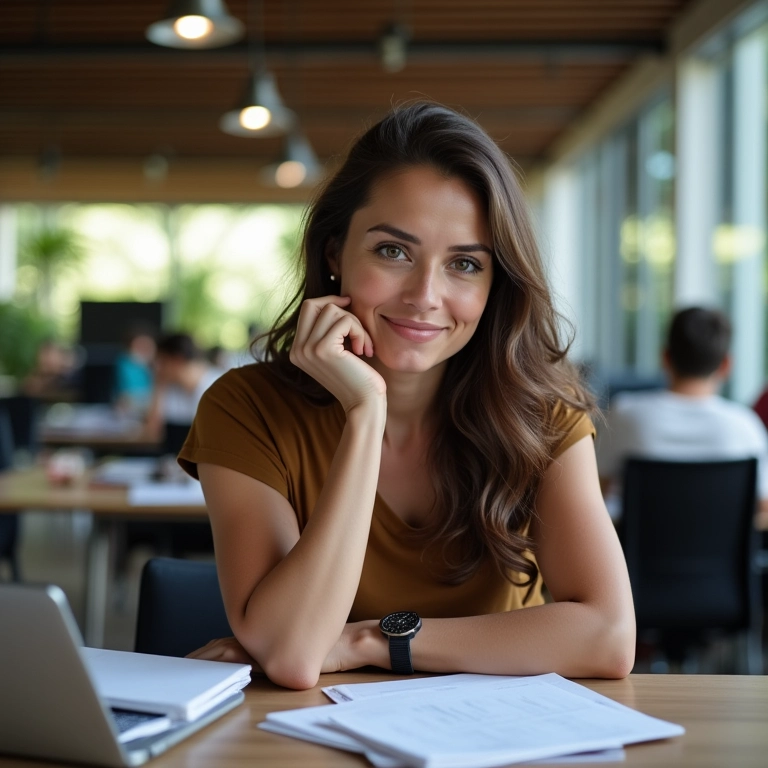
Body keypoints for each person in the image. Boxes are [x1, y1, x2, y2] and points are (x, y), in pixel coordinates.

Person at [178, 103, 635, 690]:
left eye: (465, 264)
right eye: (393, 251)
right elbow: (295, 654)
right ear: (334, 255)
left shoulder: (543, 413)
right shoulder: (246, 408)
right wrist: (366, 413)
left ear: (496, 287)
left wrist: (370, 639)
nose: (425, 295)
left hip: (504, 740)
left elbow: (607, 636)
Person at [597, 307, 768, 519]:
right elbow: (763, 509)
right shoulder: (746, 428)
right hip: (719, 552)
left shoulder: (624, 415)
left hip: (630, 552)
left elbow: (595, 497)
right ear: (726, 365)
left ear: (665, 357)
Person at [145, 333, 224, 445]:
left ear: (177, 360)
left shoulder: (218, 386)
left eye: (161, 362)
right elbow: (152, 434)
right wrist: (159, 386)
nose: (157, 368)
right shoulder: (171, 388)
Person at [114, 324, 156, 415]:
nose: (144, 349)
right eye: (140, 345)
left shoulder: (158, 365)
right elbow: (129, 395)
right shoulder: (124, 363)